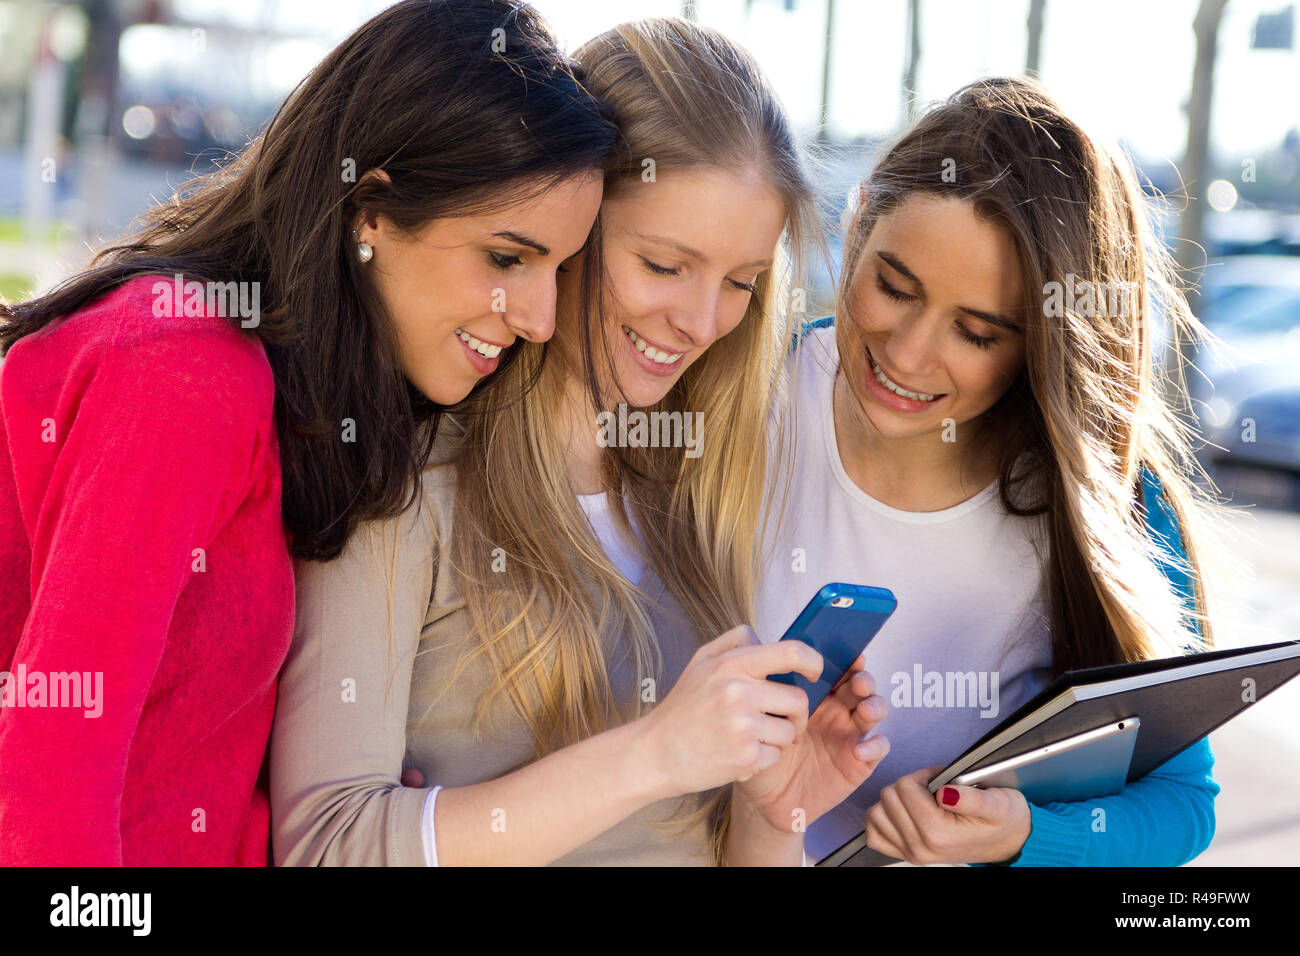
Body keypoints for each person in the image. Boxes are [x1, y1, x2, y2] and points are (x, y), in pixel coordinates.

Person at [0, 0, 613, 865]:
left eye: (561, 267)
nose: (543, 318)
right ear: (371, 211)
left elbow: (191, 768)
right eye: (507, 259)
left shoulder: (305, 395)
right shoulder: (182, 371)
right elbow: (56, 757)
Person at [270, 17, 889, 868]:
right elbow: (327, 844)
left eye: (741, 283)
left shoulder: (698, 494)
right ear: (569, 229)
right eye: (665, 267)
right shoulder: (407, 480)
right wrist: (653, 754)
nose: (702, 322)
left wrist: (772, 814)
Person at [756, 77, 1223, 866]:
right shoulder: (746, 398)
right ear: (859, 217)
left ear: (1044, 345)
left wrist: (1027, 836)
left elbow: (1182, 804)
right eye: (892, 287)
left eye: (976, 334)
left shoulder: (1099, 496)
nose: (906, 355)